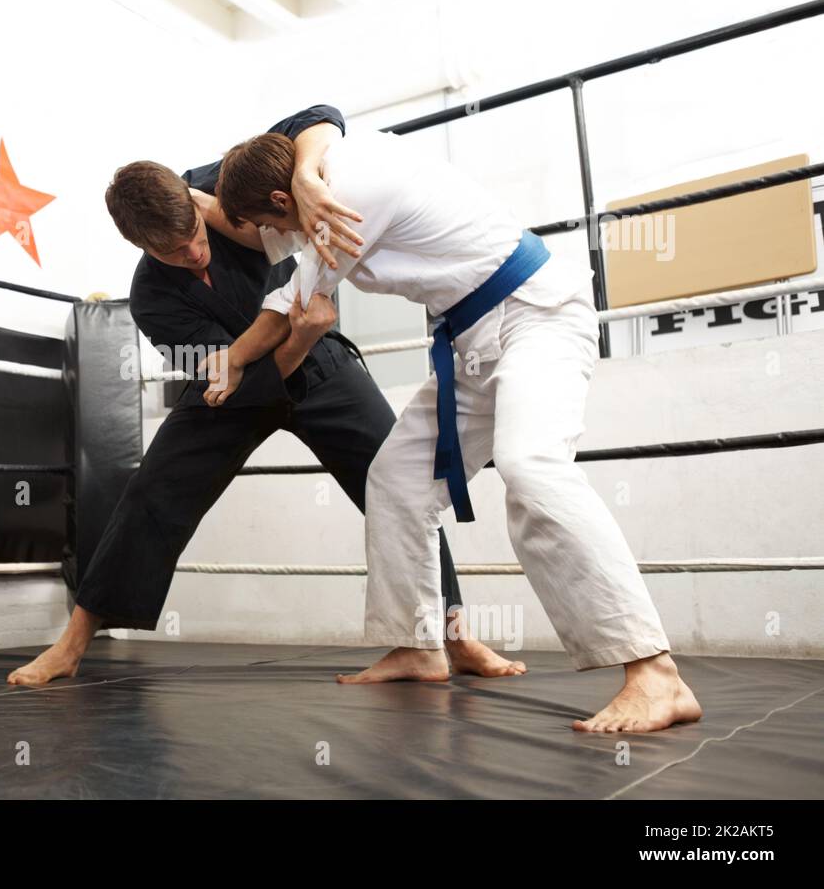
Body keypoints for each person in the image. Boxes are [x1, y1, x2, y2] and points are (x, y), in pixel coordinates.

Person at [7, 106, 524, 686]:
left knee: (400, 483)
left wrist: (305, 175)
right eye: (175, 254)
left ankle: (454, 636)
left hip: (324, 367)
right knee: (152, 492)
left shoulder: (221, 181)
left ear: (194, 200)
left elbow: (318, 116)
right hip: (231, 391)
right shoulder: (151, 299)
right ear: (142, 247)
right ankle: (72, 643)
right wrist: (297, 335)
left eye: (196, 237)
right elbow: (231, 376)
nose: (194, 254)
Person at [210, 128, 702, 732]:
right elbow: (270, 207)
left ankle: (656, 675)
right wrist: (192, 200)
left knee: (531, 465)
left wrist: (230, 361)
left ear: (283, 201)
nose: (272, 238)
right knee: (395, 479)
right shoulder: (324, 170)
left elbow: (290, 301)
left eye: (270, 222)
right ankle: (418, 645)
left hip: (534, 316)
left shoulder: (351, 190)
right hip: (471, 340)